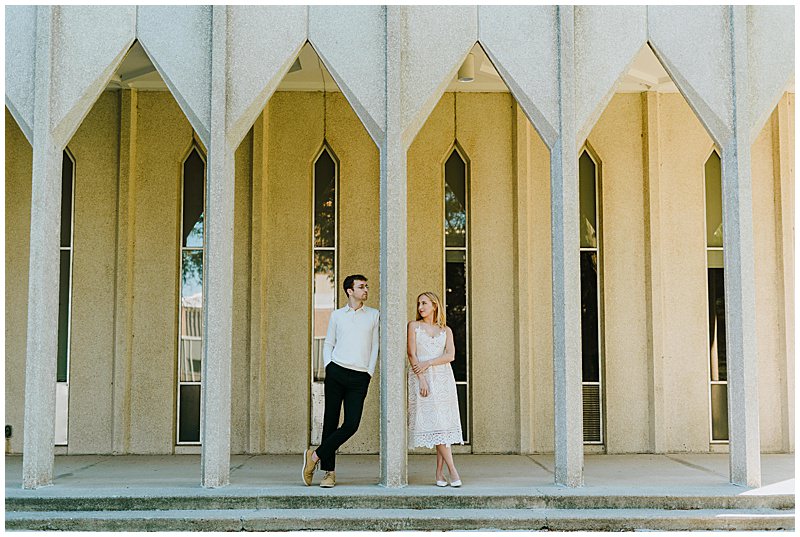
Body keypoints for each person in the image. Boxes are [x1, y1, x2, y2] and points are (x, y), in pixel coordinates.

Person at [302, 274, 379, 488]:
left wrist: (369, 372)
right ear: (349, 291)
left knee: (351, 424)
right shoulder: (337, 316)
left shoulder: (374, 315)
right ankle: (329, 474)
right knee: (330, 422)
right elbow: (328, 343)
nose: (366, 290)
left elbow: (375, 347)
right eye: (361, 287)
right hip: (336, 373)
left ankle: (314, 456)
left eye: (366, 286)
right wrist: (329, 366)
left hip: (359, 377)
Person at [407, 291, 463, 487]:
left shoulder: (445, 330)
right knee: (437, 423)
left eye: (424, 303)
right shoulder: (413, 326)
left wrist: (429, 363)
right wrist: (421, 378)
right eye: (418, 303)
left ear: (434, 306)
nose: (420, 307)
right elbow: (412, 355)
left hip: (443, 379)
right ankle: (452, 470)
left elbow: (451, 355)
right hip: (422, 379)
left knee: (444, 426)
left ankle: (440, 473)